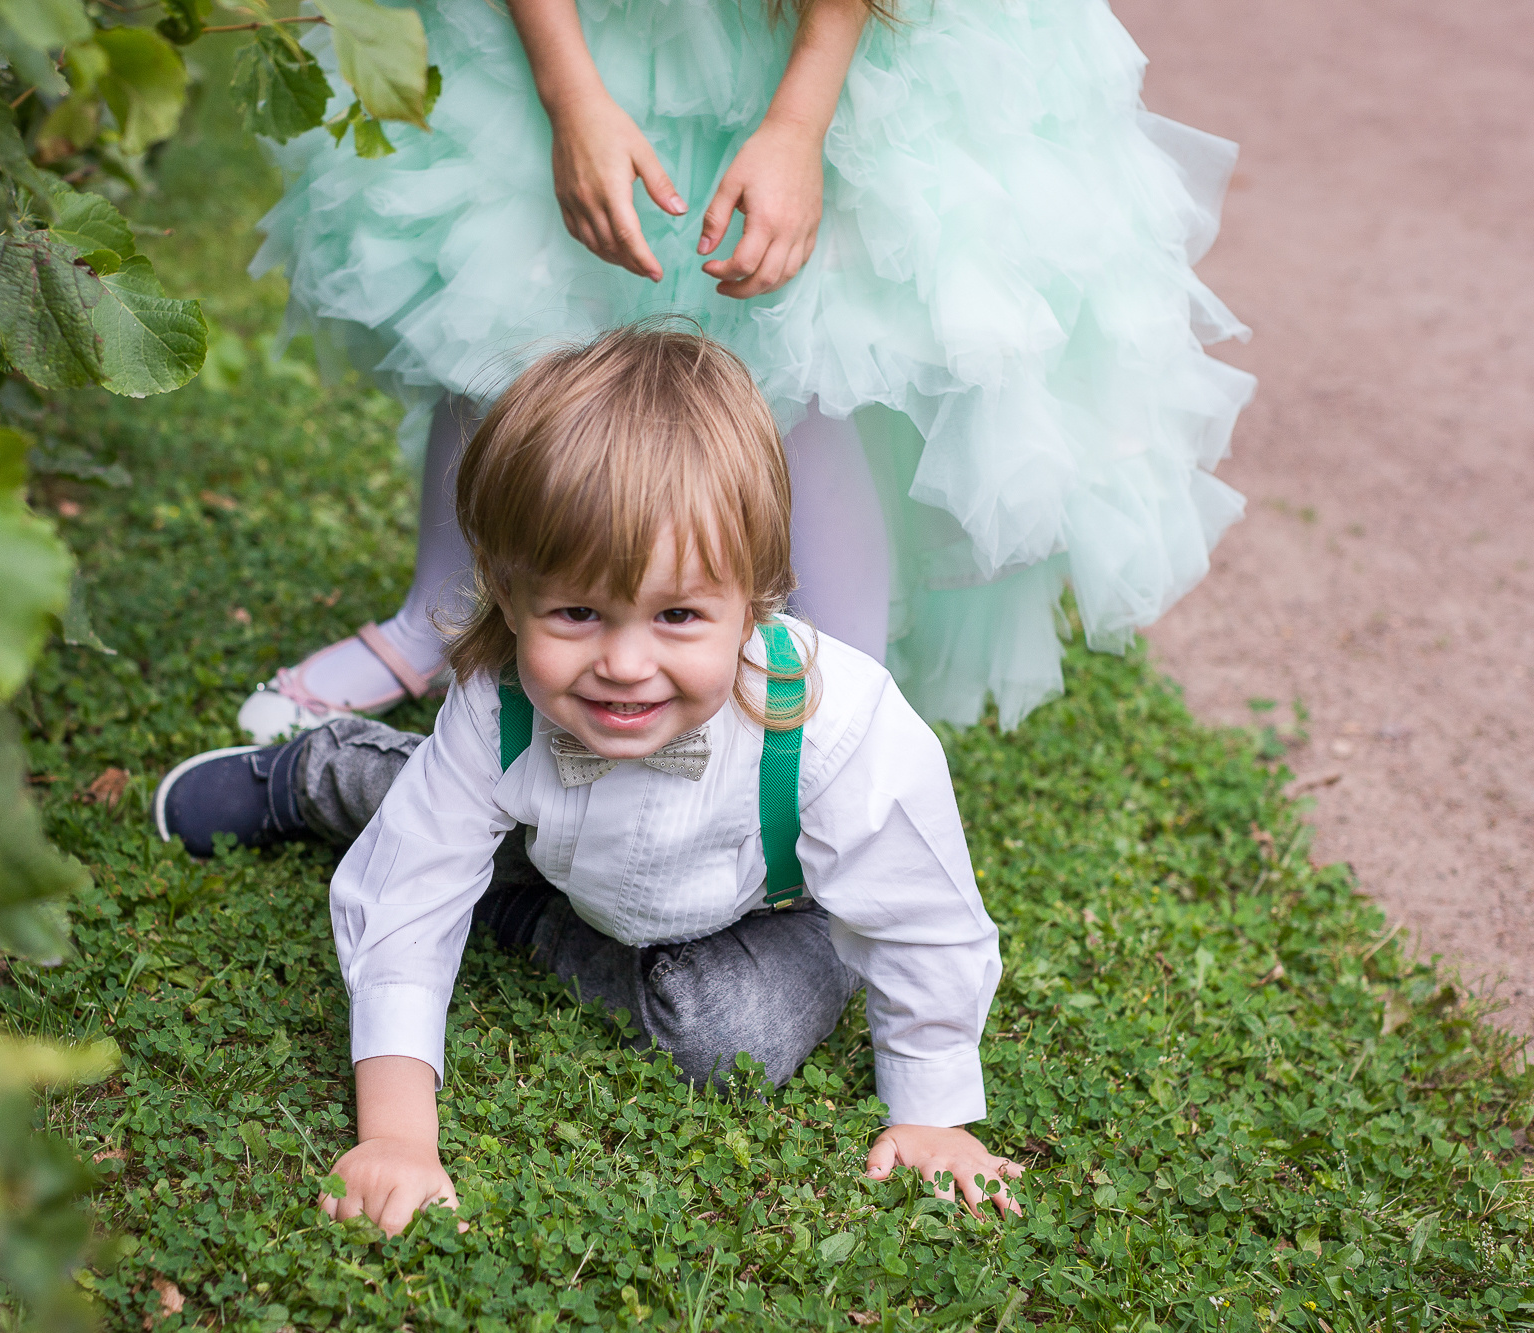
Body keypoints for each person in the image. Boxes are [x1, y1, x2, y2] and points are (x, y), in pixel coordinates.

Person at [156, 327, 1021, 1234]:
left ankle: (505, 911)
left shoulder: (836, 718)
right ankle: (312, 770)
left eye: (678, 613)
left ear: (758, 595)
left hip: (774, 905)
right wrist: (399, 1136)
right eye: (577, 611)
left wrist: (931, 1111)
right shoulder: (500, 704)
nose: (623, 662)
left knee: (730, 1038)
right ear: (506, 591)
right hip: (550, 847)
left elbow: (920, 914)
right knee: (412, 824)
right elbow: (406, 895)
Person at [238, 0, 1254, 745]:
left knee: (818, 314)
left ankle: (833, 683)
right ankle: (446, 608)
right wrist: (569, 93)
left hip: (837, 34)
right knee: (507, 263)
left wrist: (798, 126)